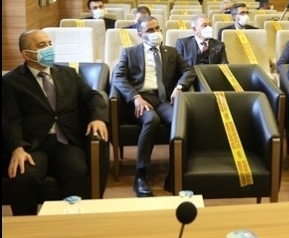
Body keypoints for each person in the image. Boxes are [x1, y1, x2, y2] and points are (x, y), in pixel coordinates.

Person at [3, 30, 109, 215]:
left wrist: (97, 118)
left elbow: (93, 96)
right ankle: (26, 225)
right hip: (33, 145)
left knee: (77, 171)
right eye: (42, 45)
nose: (49, 48)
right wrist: (17, 148)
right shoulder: (11, 81)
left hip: (66, 141)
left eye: (49, 43)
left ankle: (73, 223)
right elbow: (10, 118)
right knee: (24, 177)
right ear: (26, 54)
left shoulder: (68, 73)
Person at [112, 16, 195, 197]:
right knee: (152, 120)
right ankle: (141, 175)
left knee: (178, 122)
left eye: (157, 28)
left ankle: (175, 172)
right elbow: (118, 77)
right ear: (140, 34)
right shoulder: (129, 52)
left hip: (164, 99)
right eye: (150, 30)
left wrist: (180, 87)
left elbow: (189, 70)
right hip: (142, 99)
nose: (156, 33)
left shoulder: (171, 52)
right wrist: (135, 97)